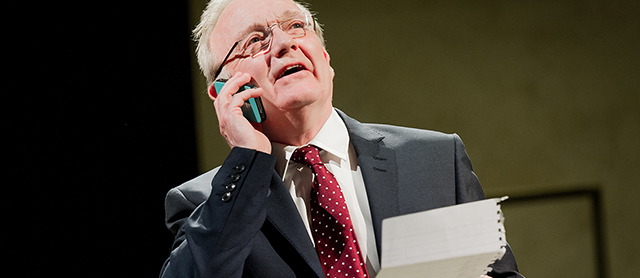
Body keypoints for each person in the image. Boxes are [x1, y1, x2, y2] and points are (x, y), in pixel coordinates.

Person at [159, 0, 524, 277]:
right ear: (223, 91)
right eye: (255, 40)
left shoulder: (435, 160)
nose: (284, 43)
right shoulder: (202, 203)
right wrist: (248, 159)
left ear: (326, 57)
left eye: (296, 26)